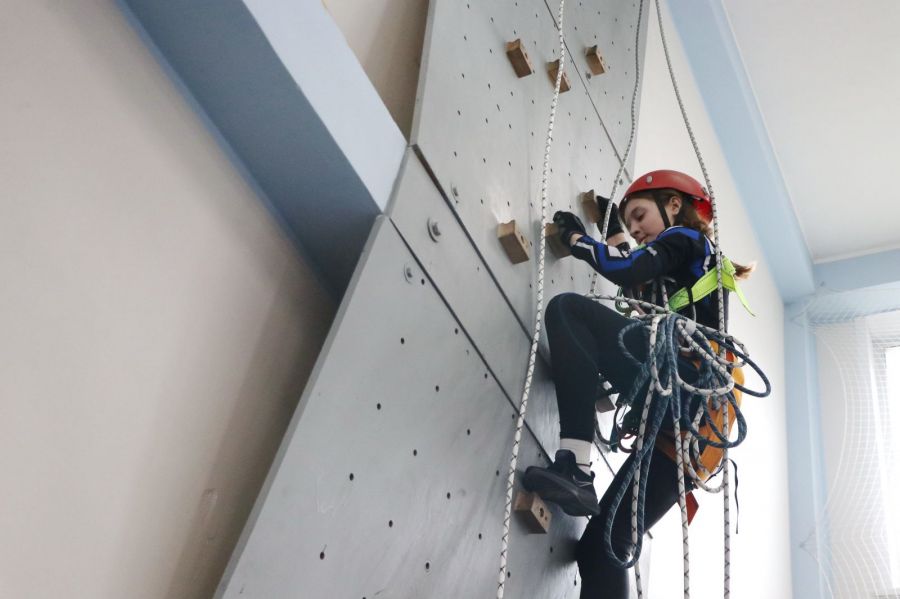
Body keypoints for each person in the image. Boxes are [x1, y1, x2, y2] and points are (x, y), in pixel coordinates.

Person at [522, 169, 753, 598]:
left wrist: (575, 240)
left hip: (681, 392)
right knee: (603, 547)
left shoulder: (688, 240)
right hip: (685, 436)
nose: (636, 229)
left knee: (570, 312)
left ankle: (575, 466)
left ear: (673, 205)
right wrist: (615, 229)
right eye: (630, 225)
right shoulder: (687, 266)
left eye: (641, 216)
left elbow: (629, 270)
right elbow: (640, 276)